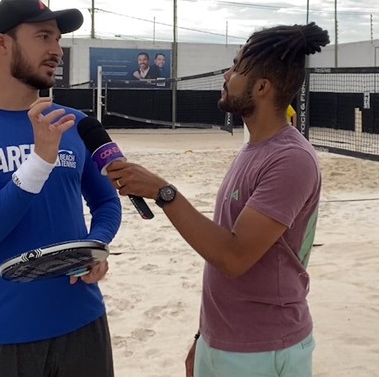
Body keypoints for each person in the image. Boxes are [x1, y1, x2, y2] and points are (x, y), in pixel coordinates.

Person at [107, 22, 330, 377]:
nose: (227, 74)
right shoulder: (253, 149)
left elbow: (233, 256)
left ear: (261, 87)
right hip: (223, 341)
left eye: (237, 66)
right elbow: (219, 252)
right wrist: (203, 335)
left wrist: (163, 193)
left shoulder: (291, 158)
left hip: (263, 350)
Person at [0, 0, 122, 376]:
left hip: (83, 324)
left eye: (58, 39)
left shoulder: (75, 123)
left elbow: (107, 203)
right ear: (1, 43)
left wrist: (95, 249)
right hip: (0, 335)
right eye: (43, 36)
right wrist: (38, 162)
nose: (56, 50)